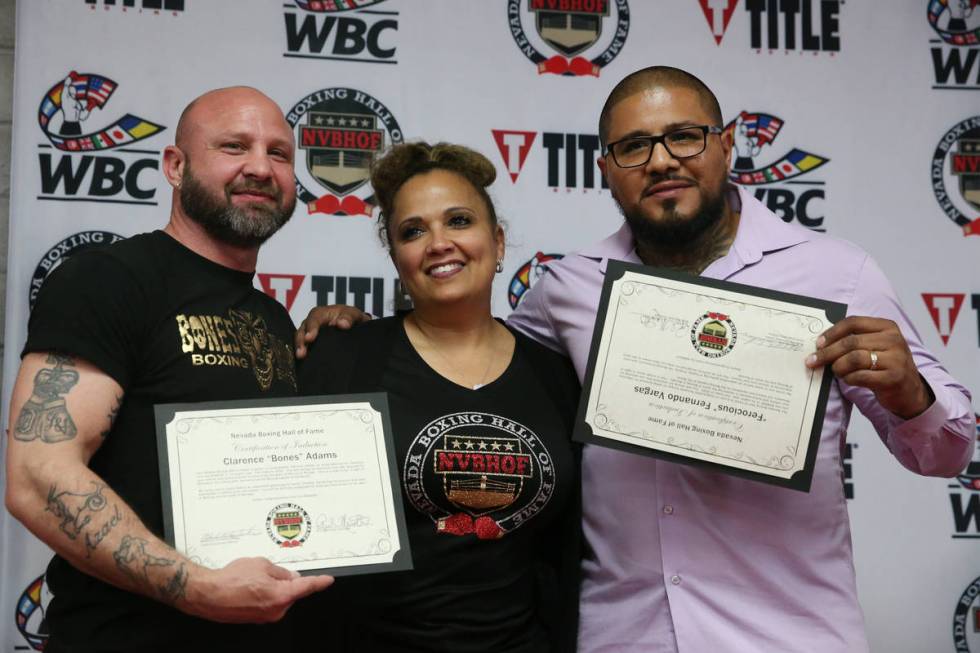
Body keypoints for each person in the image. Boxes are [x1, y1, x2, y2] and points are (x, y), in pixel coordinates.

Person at [296, 67, 973, 653]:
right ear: (606, 169)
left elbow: (945, 453)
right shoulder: (570, 290)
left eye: (684, 135)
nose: (661, 160)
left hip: (783, 636)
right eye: (633, 146)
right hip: (621, 634)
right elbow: (469, 347)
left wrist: (912, 393)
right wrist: (355, 334)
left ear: (726, 144)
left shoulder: (835, 273)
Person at [5, 86, 333, 653]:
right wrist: (198, 588)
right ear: (175, 167)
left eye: (279, 154)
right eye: (235, 146)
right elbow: (37, 476)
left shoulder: (273, 318)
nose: (260, 167)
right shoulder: (109, 279)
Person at [292, 142, 581, 652]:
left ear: (497, 239)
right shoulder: (342, 360)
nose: (439, 243)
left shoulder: (557, 375)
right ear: (395, 255)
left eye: (459, 221)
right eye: (414, 231)